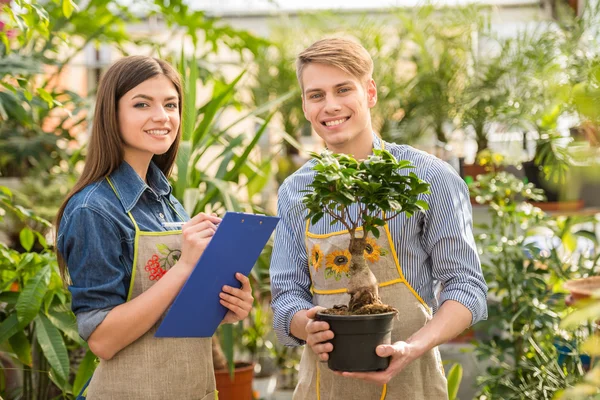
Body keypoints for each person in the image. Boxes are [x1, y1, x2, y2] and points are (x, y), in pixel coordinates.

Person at [270, 37, 488, 399]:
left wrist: (414, 346)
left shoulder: (428, 177)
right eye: (316, 95)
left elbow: (466, 287)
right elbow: (287, 294)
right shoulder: (296, 190)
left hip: (410, 381)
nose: (331, 106)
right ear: (306, 106)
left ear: (369, 92)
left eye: (343, 89)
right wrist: (303, 325)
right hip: (324, 386)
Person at [56, 56, 253, 400]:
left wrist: (226, 307)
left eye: (171, 104)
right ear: (111, 113)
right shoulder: (93, 209)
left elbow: (165, 313)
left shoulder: (166, 201)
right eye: (142, 104)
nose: (161, 116)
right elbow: (103, 339)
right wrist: (186, 266)